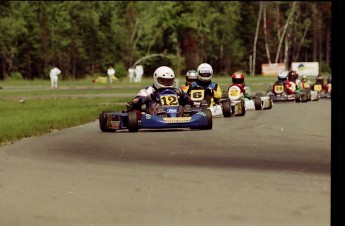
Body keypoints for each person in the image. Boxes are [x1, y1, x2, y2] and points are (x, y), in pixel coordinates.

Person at [125, 66, 191, 116]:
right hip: (153, 114)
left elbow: (188, 99)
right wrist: (148, 98)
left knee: (183, 104)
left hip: (175, 111)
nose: (166, 83)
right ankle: (160, 112)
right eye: (163, 80)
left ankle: (185, 114)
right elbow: (136, 101)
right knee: (154, 105)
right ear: (156, 79)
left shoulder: (176, 90)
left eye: (169, 81)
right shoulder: (149, 90)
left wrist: (183, 96)